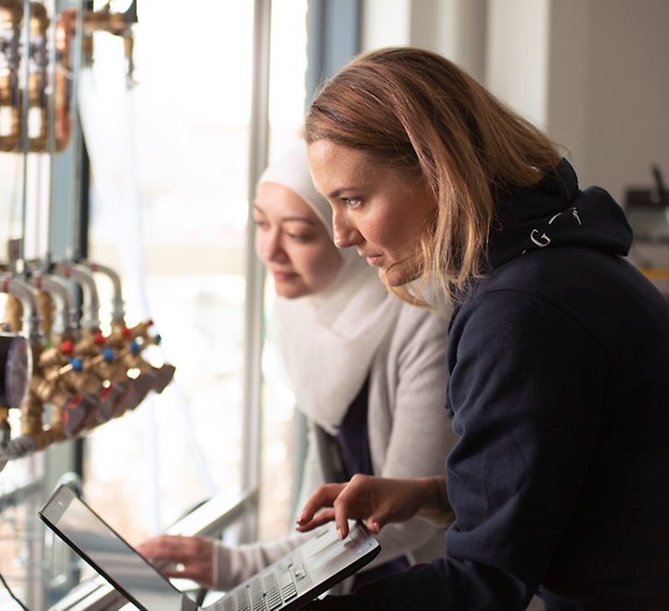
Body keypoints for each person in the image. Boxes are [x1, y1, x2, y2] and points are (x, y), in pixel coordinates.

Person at [292, 46, 669, 610]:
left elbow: (483, 585)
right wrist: (429, 495)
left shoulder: (521, 311)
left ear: (436, 170)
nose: (340, 234)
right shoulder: (561, 264)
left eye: (353, 199)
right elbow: (581, 485)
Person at [137, 139, 457, 594]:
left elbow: (406, 520)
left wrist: (242, 567)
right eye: (260, 224)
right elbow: (323, 470)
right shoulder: (304, 309)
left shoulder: (424, 318)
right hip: (351, 565)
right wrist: (282, 578)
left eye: (298, 233)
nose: (269, 250)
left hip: (423, 577)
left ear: (348, 233)